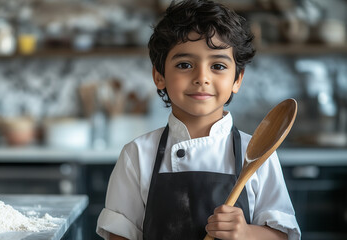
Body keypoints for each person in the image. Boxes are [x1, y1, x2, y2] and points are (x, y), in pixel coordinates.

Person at [96, 0, 301, 239]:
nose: (201, 77)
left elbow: (282, 235)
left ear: (237, 79)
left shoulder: (259, 154)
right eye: (185, 64)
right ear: (159, 76)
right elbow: (119, 235)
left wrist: (247, 233)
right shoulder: (137, 155)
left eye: (217, 65)